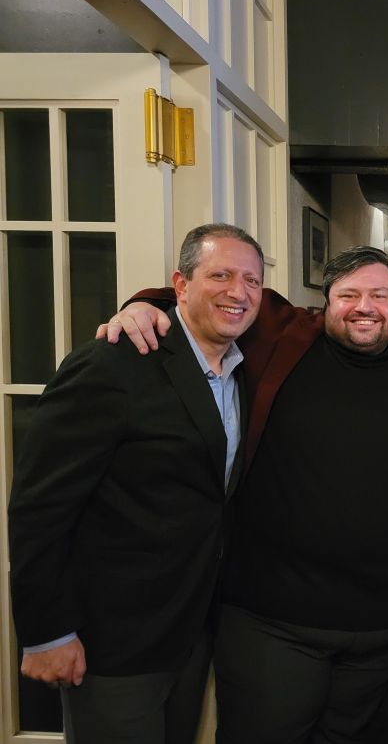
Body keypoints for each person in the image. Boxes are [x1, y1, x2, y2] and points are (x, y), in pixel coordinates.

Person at [102, 246, 388, 743]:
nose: (364, 306)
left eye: (379, 295)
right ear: (325, 304)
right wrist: (143, 305)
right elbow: (211, 299)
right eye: (349, 295)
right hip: (274, 623)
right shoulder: (284, 335)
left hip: (383, 631)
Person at [8, 223, 264, 744]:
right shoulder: (114, 363)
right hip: (113, 643)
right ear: (181, 284)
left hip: (190, 636)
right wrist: (45, 634)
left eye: (252, 281)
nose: (238, 292)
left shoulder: (243, 372)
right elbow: (40, 508)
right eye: (220, 275)